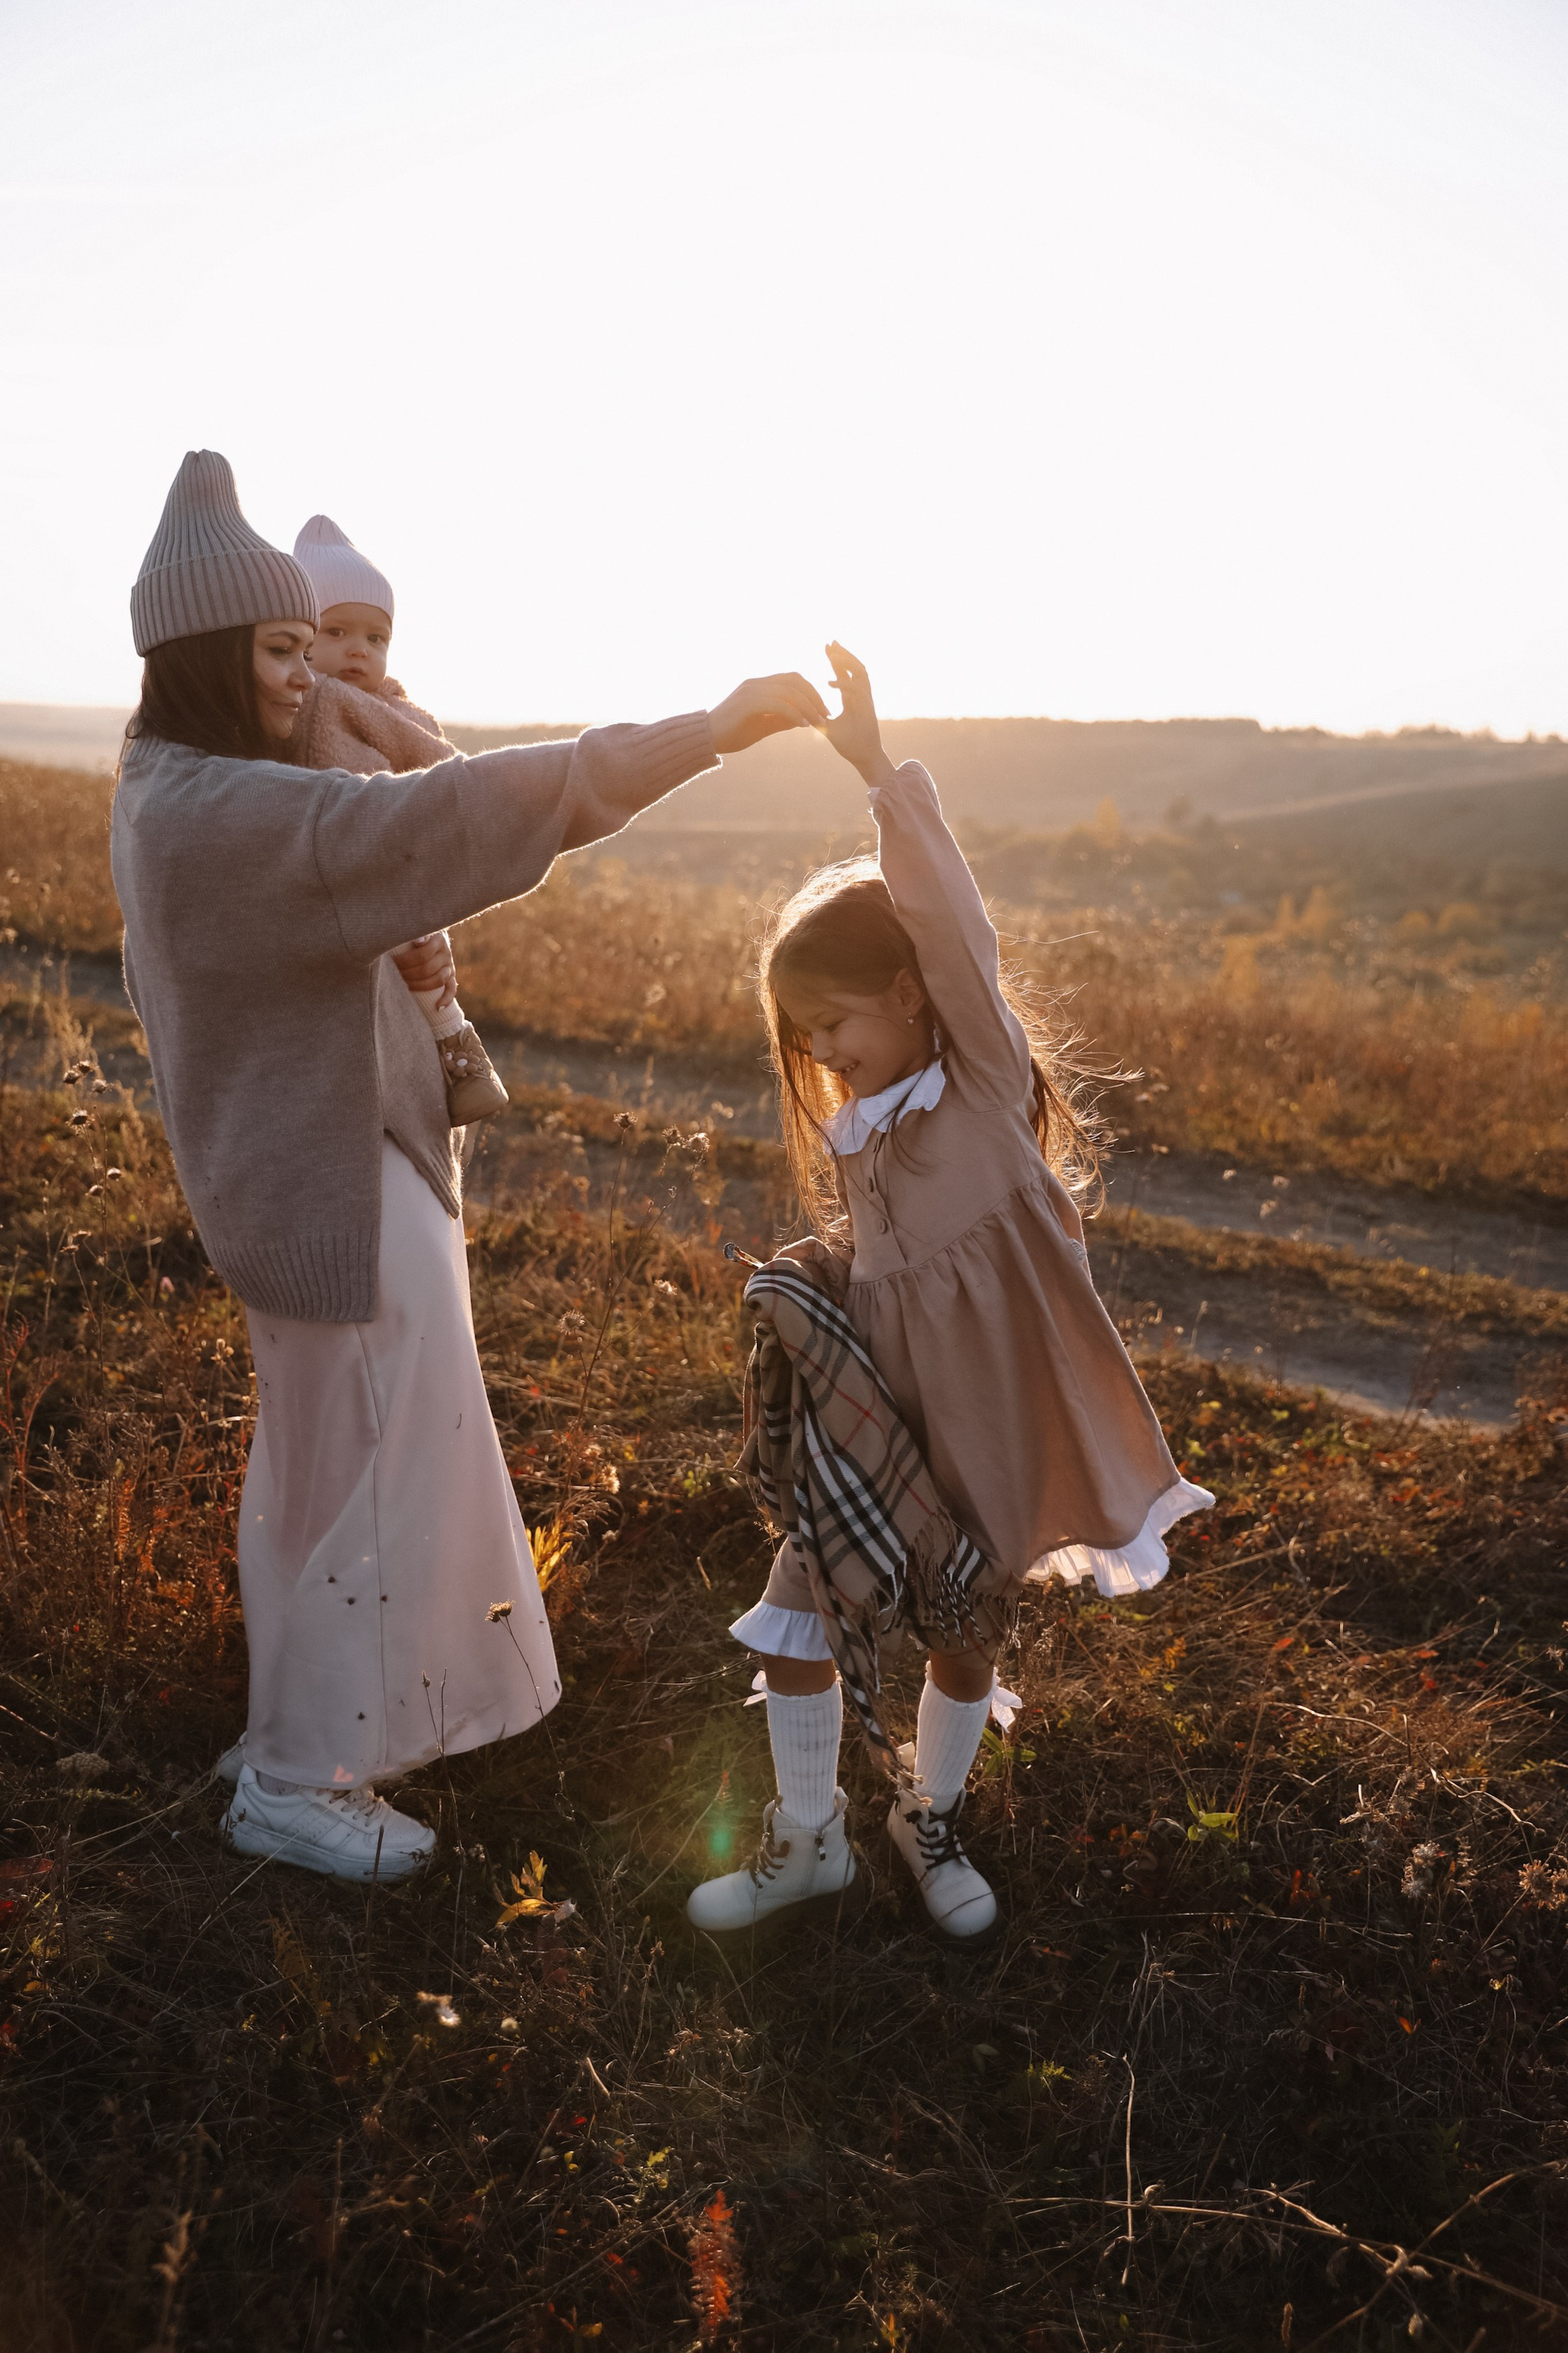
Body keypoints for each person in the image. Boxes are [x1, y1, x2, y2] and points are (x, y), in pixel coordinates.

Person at [113, 448, 826, 1882]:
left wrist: (337, 685)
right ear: (204, 655)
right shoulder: (236, 818)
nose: (308, 679)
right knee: (370, 1484)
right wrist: (704, 733)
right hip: (334, 1187)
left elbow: (383, 748)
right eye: (279, 650)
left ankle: (292, 1736)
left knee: (325, 1474)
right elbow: (448, 812)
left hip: (314, 1182)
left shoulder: (180, 775)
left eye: (318, 645)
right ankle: (298, 1780)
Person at [686, 644, 1213, 1944]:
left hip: (980, 1424)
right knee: (796, 1619)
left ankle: (927, 1818)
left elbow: (956, 929)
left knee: (959, 1634)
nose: (823, 1054)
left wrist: (878, 770)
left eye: (836, 1024)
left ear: (911, 993)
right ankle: (809, 1839)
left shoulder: (976, 1090)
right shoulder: (860, 1126)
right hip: (874, 1426)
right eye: (804, 1038)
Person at [288, 512, 507, 1127]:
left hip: (396, 858)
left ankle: (456, 1052)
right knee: (408, 958)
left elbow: (438, 767)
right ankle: (452, 1048)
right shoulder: (304, 700)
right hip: (341, 864)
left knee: (424, 953)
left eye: (376, 638)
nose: (359, 649)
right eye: (336, 631)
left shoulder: (391, 708)